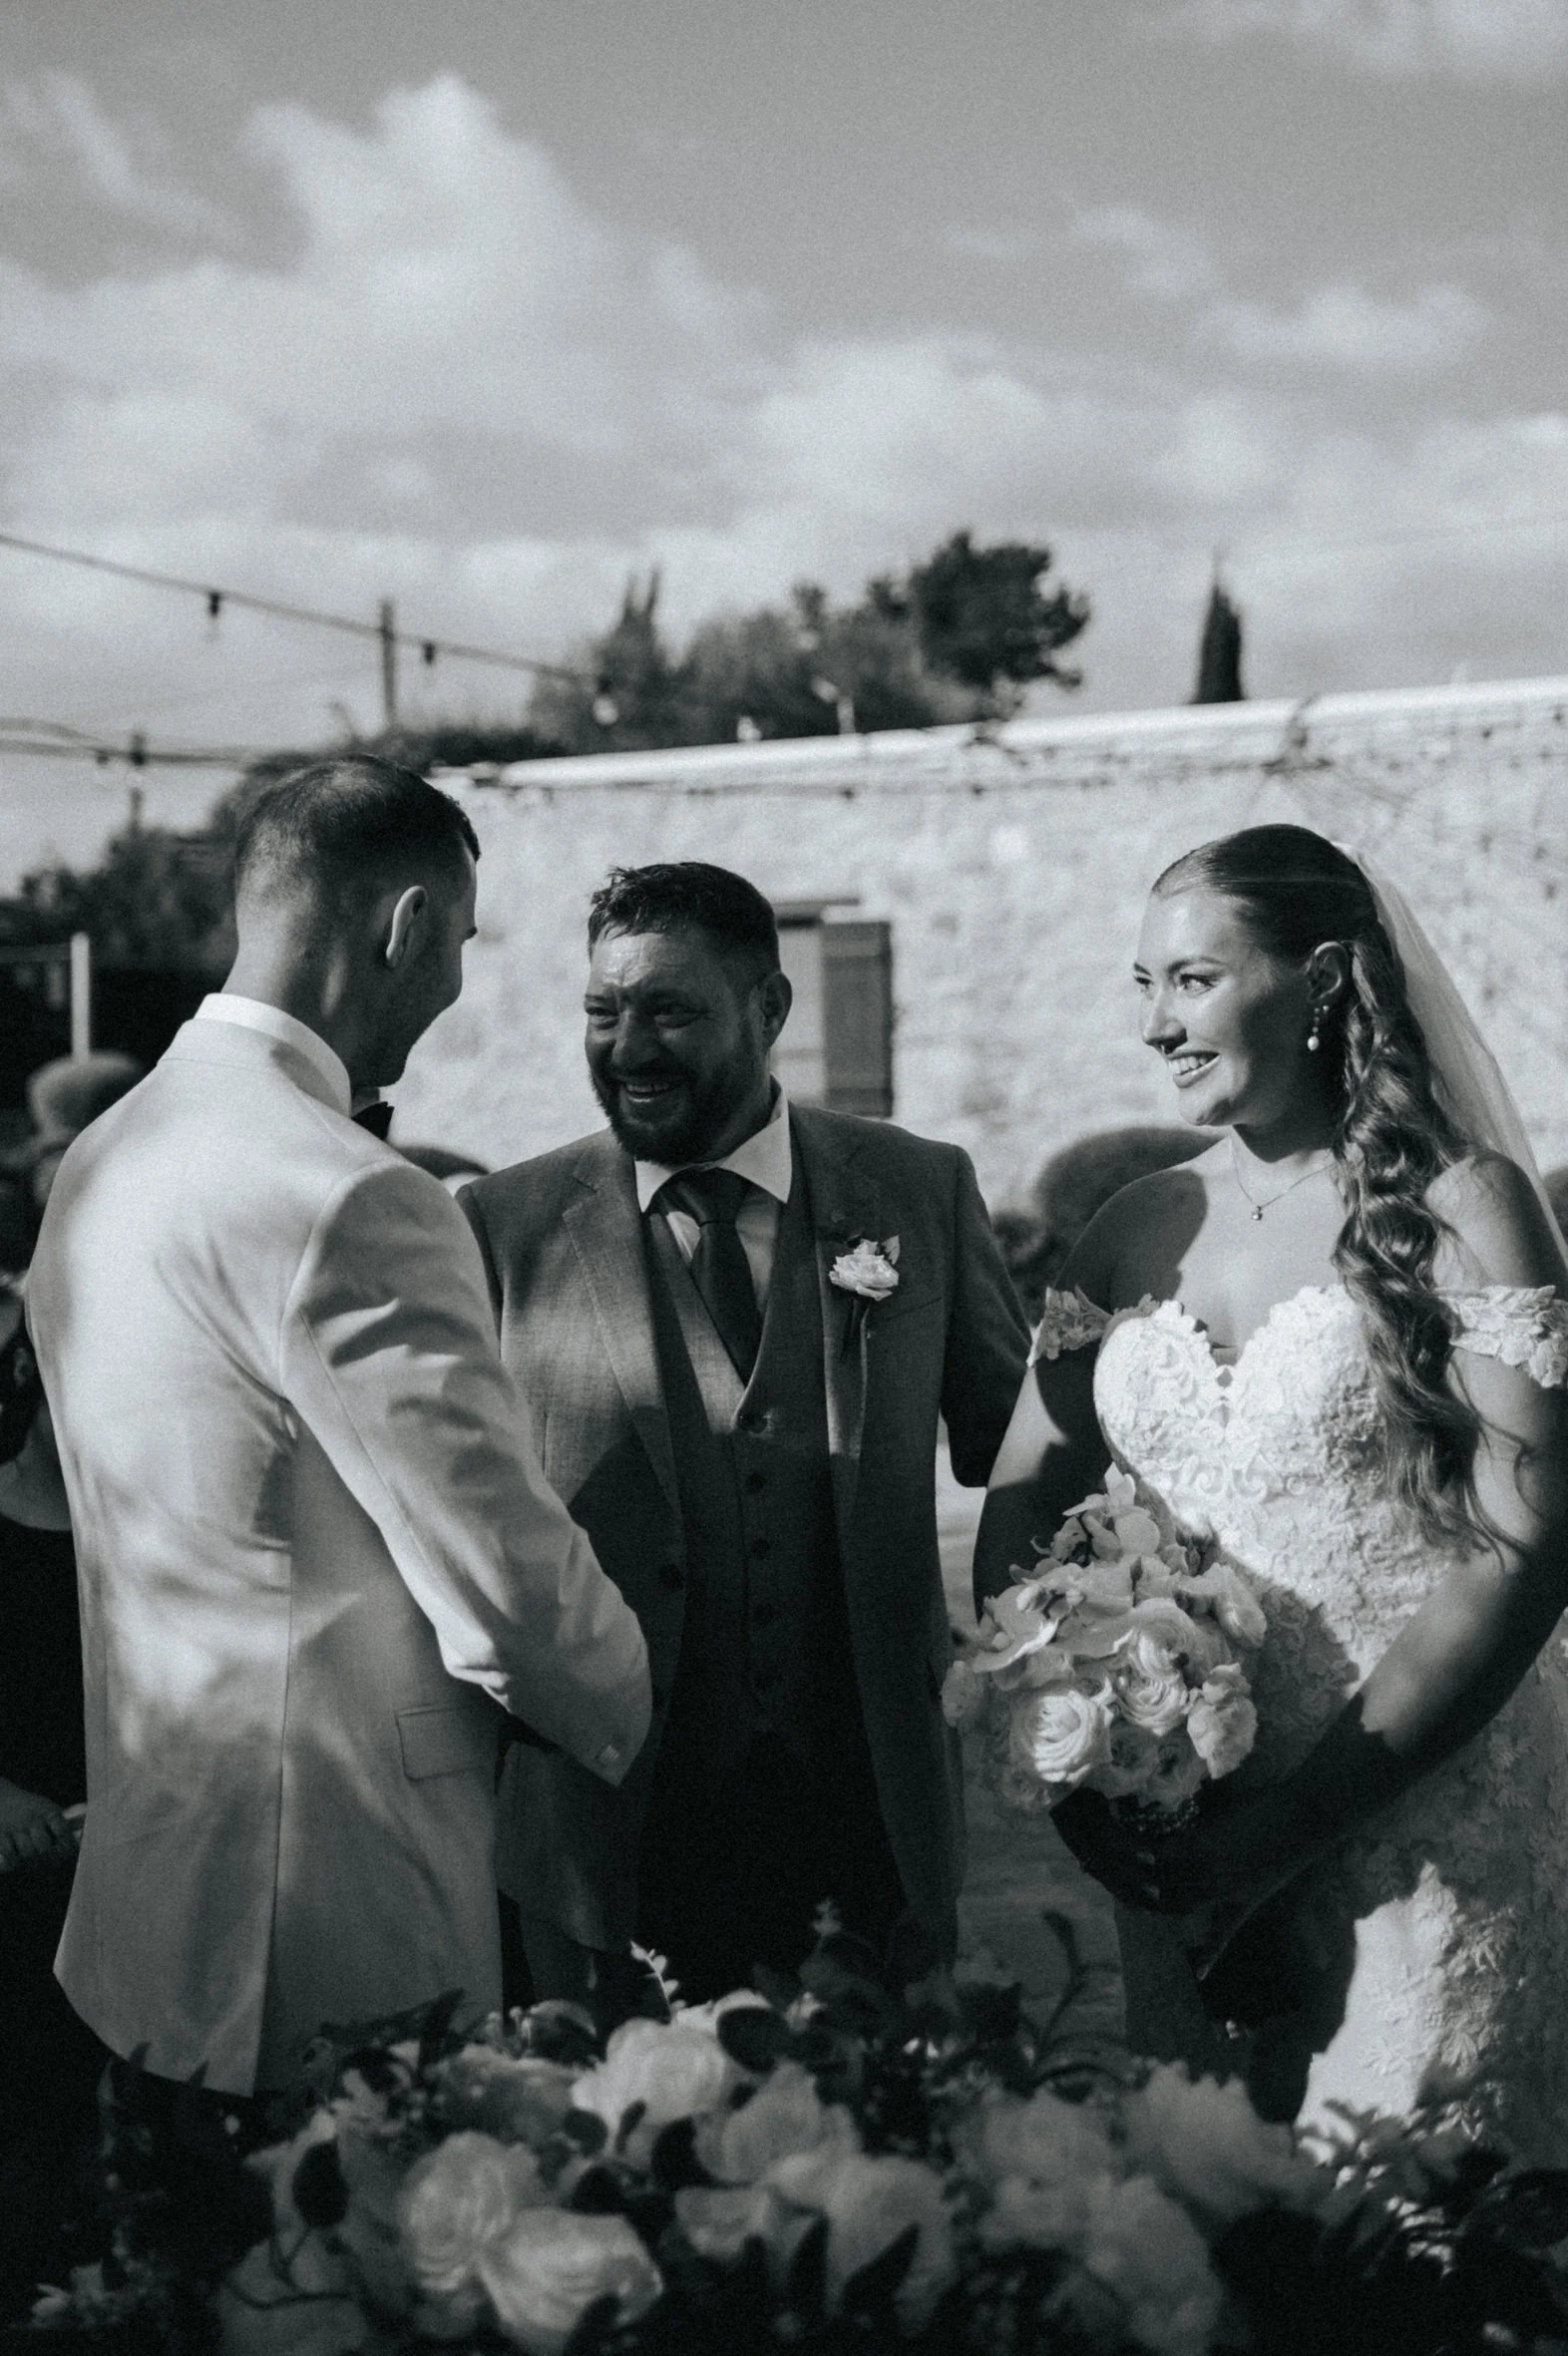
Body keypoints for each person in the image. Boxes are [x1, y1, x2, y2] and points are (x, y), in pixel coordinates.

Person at [27, 757, 650, 2101]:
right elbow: (501, 1585)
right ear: (408, 923)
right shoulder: (351, 1194)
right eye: (463, 943)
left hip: (148, 1892)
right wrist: (636, 1700)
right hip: (339, 1902)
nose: (452, 987)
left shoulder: (103, 1156)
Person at [976, 824, 1568, 2157]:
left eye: (1190, 979)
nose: (1153, 1026)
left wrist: (1292, 1826)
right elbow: (1028, 1504)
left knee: (1412, 2237)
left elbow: (1526, 1547)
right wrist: (1086, 1757)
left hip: (1419, 1815)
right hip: (1179, 1843)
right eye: (1142, 985)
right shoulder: (1130, 1226)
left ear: (1321, 981)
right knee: (1207, 2228)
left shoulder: (1471, 1210)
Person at [461, 862, 1029, 2010]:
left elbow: (1022, 1461)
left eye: (670, 1011)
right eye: (601, 1011)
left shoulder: (918, 1188)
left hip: (869, 1811)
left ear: (770, 1010)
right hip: (606, 1829)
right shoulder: (501, 1228)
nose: (627, 1048)